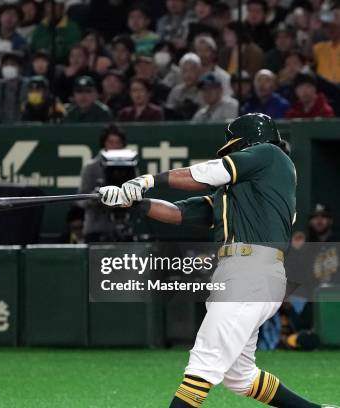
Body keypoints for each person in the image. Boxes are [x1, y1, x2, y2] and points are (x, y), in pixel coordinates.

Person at [98, 113, 334, 408]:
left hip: (250, 272)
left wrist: (147, 180)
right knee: (240, 377)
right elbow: (180, 212)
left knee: (203, 363)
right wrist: (132, 201)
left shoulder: (270, 154)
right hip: (247, 275)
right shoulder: (242, 192)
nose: (233, 154)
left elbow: (209, 172)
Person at [78, 124, 129, 242]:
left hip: (123, 228)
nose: (114, 146)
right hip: (96, 229)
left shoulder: (130, 167)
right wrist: (97, 196)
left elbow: (137, 196)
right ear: (104, 144)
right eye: (111, 142)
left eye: (118, 143)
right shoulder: (91, 167)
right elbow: (81, 200)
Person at [30, 0, 81, 64]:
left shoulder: (72, 27)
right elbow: (33, 48)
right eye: (47, 5)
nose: (50, 8)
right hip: (39, 63)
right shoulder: (40, 27)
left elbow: (73, 51)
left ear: (62, 7)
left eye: (55, 5)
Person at [0, 52, 27, 123]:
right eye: (5, 65)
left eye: (13, 64)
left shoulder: (27, 85)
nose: (9, 67)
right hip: (0, 131)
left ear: (20, 68)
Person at [165, 52, 203, 120]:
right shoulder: (175, 91)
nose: (188, 75)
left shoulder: (206, 91)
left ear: (199, 71)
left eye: (192, 70)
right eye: (185, 71)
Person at [312, 6, 340, 84]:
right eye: (326, 27)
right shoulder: (320, 47)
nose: (330, 30)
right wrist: (311, 31)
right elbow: (305, 56)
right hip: (324, 89)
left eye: (334, 27)